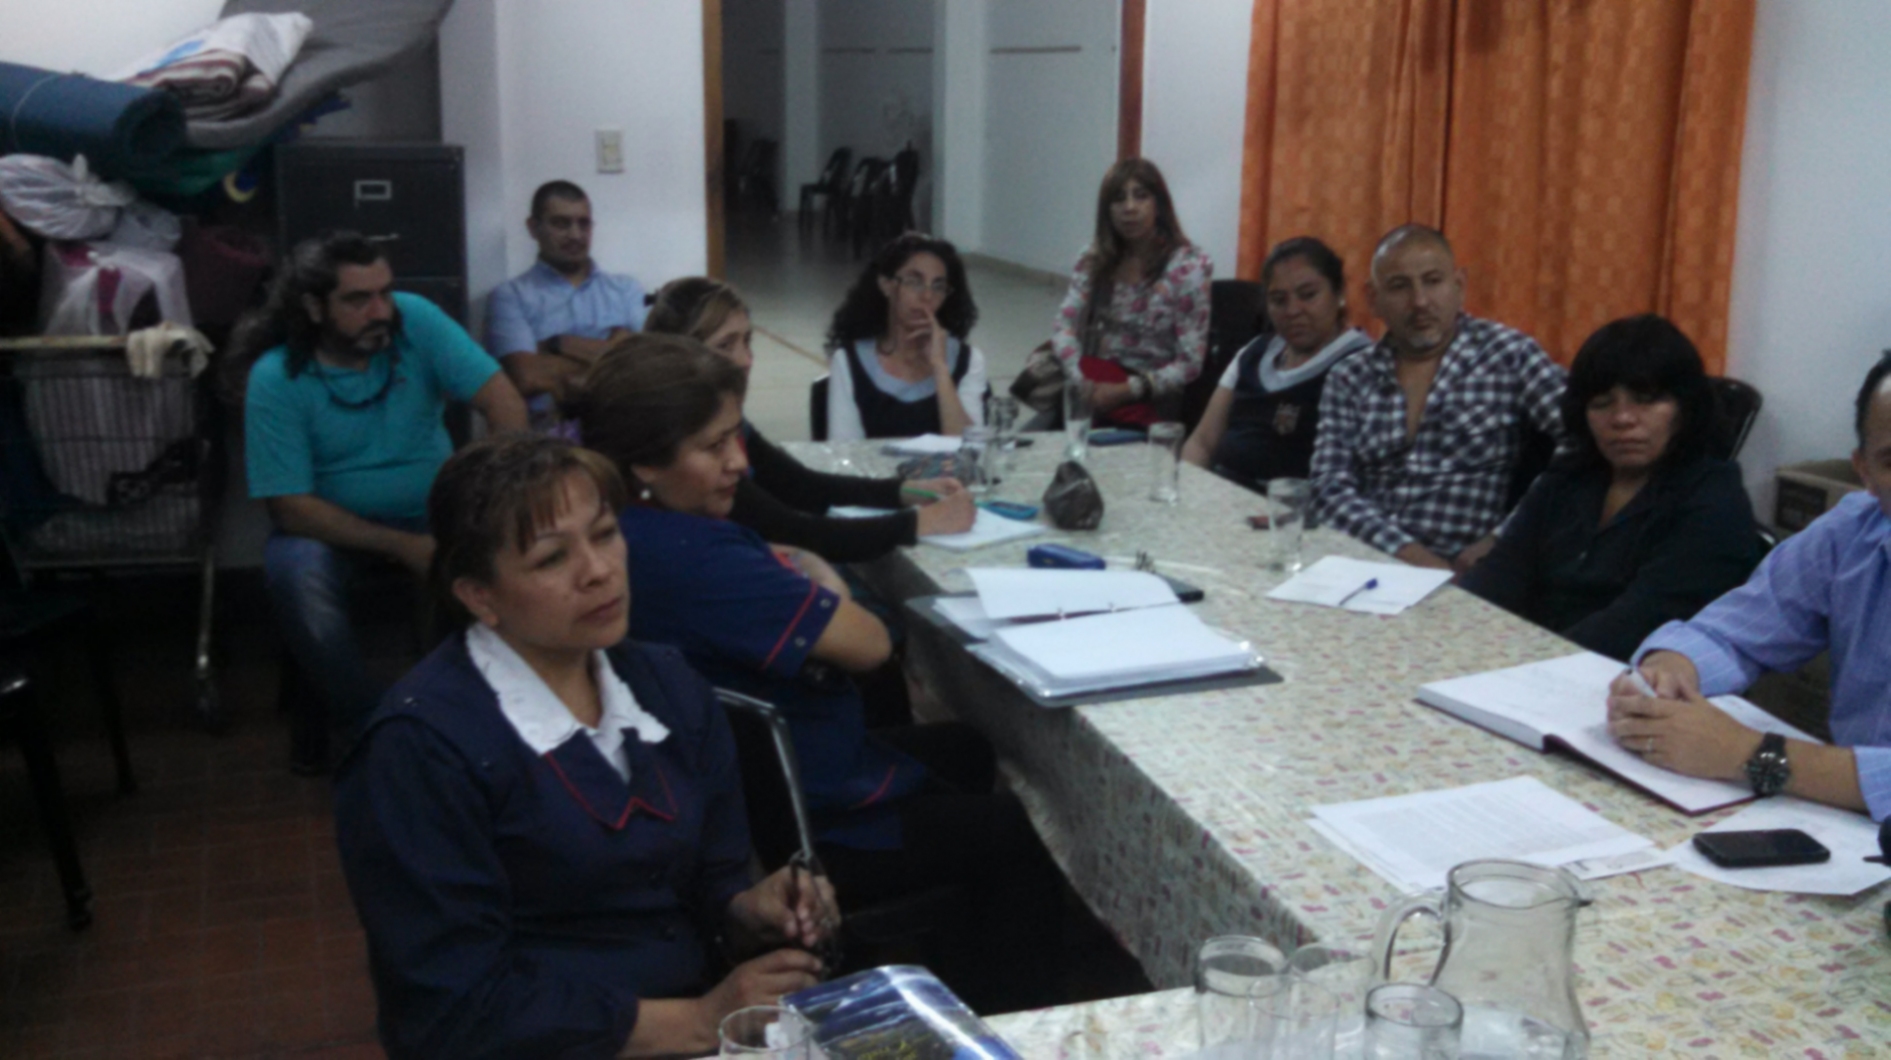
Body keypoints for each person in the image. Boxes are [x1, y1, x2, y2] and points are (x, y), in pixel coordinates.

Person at [571, 335, 1066, 1013]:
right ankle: (1024, 1005)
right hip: (801, 818)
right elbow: (867, 648)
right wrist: (825, 580)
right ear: (644, 463)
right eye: (714, 446)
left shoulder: (626, 535)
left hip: (740, 793)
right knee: (1011, 830)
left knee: (967, 747)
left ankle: (954, 945)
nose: (737, 462)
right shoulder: (702, 557)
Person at [335, 434, 831, 1058]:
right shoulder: (419, 751)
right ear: (478, 595)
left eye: (604, 533)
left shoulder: (667, 686)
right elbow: (453, 1009)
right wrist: (702, 1020)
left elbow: (712, 878)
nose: (599, 570)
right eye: (550, 559)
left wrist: (749, 910)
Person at [238, 232, 528, 749]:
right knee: (296, 572)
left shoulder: (414, 319)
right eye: (357, 299)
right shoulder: (275, 377)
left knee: (507, 552)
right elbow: (291, 509)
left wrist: (487, 502)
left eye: (385, 292)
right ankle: (371, 726)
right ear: (312, 307)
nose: (380, 311)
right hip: (330, 529)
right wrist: (405, 547)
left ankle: (483, 717)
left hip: (434, 511)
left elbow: (503, 401)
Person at [1607, 354, 1891, 822]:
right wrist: (1669, 671)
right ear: (1864, 471)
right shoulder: (1852, 531)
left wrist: (1749, 754)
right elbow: (1734, 632)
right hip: (1851, 833)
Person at [1460, 315, 1761, 660]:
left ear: (1685, 408)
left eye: (1645, 400)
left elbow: (1636, 623)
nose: (1622, 418)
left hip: (1631, 684)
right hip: (1531, 665)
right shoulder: (1567, 477)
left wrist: (1522, 663)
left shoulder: (1713, 498)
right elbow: (1496, 578)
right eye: (1602, 403)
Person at [645, 276, 974, 562]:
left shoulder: (728, 424)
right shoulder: (691, 441)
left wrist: (903, 491)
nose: (745, 360)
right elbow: (794, 530)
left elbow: (801, 485)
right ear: (682, 354)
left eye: (747, 341)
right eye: (725, 345)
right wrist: (923, 523)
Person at [1309, 224, 1567, 570]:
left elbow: (1581, 441)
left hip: (1469, 572)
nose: (1419, 301)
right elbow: (1328, 485)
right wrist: (1413, 558)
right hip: (1362, 559)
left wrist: (1504, 537)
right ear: (1373, 299)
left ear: (1459, 286)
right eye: (1400, 286)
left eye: (1433, 281)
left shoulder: (1511, 356)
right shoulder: (1349, 377)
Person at [1182, 237, 1372, 488]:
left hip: (1289, 515)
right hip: (1219, 497)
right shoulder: (1254, 353)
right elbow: (1202, 443)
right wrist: (1185, 496)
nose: (1293, 310)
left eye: (1308, 295)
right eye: (1279, 300)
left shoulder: (1362, 365)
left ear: (1339, 294)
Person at [1049, 158, 1212, 428]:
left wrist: (1128, 389)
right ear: (1107, 210)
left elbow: (1190, 363)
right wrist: (1080, 376)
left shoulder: (1188, 266)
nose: (1129, 208)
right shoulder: (1093, 259)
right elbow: (1064, 324)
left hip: (1150, 398)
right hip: (1092, 387)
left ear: (1158, 204)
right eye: (1118, 199)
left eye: (1141, 196)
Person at [484, 180, 648, 430]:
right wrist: (612, 349)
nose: (575, 234)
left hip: (622, 432)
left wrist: (555, 346)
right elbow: (527, 377)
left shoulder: (626, 290)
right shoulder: (509, 296)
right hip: (546, 438)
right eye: (561, 223)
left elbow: (643, 366)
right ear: (533, 228)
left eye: (583, 223)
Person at [823, 233, 988, 440]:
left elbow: (969, 448)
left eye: (938, 286)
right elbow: (843, 454)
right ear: (886, 285)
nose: (927, 296)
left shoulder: (968, 361)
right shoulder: (849, 362)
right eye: (914, 282)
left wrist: (940, 368)